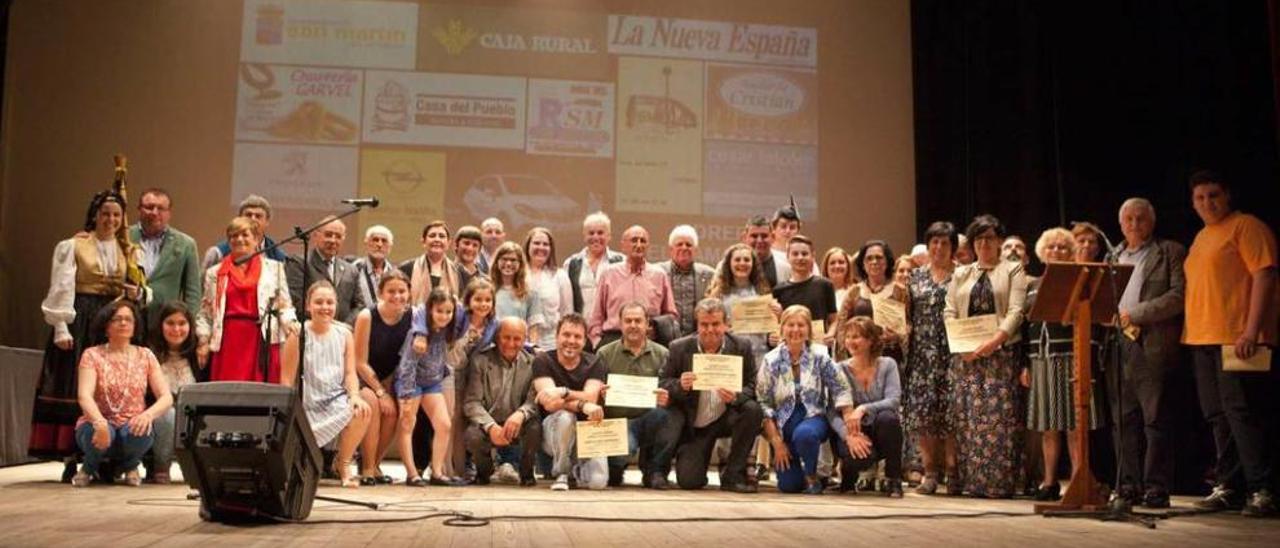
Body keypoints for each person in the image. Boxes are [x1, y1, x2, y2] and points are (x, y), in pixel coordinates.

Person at [1183, 170, 1278, 517]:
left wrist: (1251, 331)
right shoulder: (1202, 236)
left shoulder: (1246, 226)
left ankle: (1262, 489)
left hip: (1236, 339)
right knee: (1218, 416)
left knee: (1242, 414)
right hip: (1202, 339)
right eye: (1199, 197)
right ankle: (1229, 487)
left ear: (1227, 196)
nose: (1207, 203)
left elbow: (1265, 274)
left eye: (1213, 195)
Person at [32, 190, 145, 478]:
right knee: (75, 387)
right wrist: (60, 325)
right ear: (95, 215)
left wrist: (138, 292)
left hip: (112, 319)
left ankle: (107, 457)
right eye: (106, 214)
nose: (111, 220)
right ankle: (72, 454)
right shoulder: (73, 246)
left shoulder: (128, 250)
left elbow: (141, 288)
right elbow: (62, 286)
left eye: (117, 215)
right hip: (80, 317)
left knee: (110, 388)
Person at [945, 214, 1029, 498]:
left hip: (1001, 356)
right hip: (966, 358)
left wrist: (995, 341)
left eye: (990, 238)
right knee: (969, 419)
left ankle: (1000, 484)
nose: (984, 243)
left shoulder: (1013, 270)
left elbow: (1017, 311)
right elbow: (949, 312)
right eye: (978, 239)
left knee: (1000, 421)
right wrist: (961, 345)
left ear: (1000, 241)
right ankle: (973, 483)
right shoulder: (961, 273)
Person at [1109, 197, 1184, 508]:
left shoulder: (1169, 252)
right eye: (1129, 219)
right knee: (1123, 421)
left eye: (1141, 219)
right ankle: (1128, 485)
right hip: (1118, 346)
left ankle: (1156, 487)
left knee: (1155, 420)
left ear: (1151, 222)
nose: (1135, 224)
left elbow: (1178, 296)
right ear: (1121, 223)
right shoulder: (1112, 255)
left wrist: (1135, 314)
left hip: (1151, 345)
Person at [1022, 228, 1103, 501]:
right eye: (1051, 247)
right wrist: (1026, 364)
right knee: (1048, 425)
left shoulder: (1078, 281)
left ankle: (1079, 480)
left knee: (1073, 425)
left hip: (1070, 357)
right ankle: (1049, 482)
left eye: (1062, 247)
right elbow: (1025, 328)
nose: (1056, 251)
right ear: (1042, 252)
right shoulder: (1032, 285)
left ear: (1071, 253)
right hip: (1041, 360)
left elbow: (1091, 323)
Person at [661, 298, 763, 492]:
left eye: (716, 324)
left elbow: (753, 384)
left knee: (752, 410)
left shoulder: (742, 346)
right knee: (689, 481)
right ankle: (698, 464)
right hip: (696, 423)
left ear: (726, 324)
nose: (710, 330)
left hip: (727, 415)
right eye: (704, 324)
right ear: (697, 325)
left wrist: (736, 396)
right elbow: (662, 382)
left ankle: (733, 474)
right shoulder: (679, 347)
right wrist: (679, 385)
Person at [70, 301, 173, 487]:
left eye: (128, 320)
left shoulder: (146, 355)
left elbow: (166, 397)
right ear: (106, 325)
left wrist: (147, 415)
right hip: (97, 423)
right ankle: (88, 467)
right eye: (117, 319)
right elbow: (84, 395)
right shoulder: (92, 355)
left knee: (142, 429)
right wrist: (99, 422)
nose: (123, 323)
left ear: (135, 326)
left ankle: (131, 465)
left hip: (130, 426)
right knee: (99, 430)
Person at [281, 282, 372, 488]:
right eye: (319, 302)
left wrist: (355, 396)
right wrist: (289, 412)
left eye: (330, 302)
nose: (325, 307)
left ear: (337, 305)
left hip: (335, 399)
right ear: (308, 306)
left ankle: (343, 463)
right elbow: (286, 379)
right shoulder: (298, 335)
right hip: (307, 402)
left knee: (362, 410)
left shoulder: (344, 334)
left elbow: (350, 373)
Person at [758, 305, 855, 494]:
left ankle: (812, 475)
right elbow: (764, 402)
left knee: (805, 435)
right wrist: (777, 443)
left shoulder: (820, 355)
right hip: (783, 426)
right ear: (782, 329)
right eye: (790, 325)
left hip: (813, 417)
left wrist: (849, 415)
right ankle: (798, 473)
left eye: (801, 325)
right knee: (788, 486)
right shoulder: (771, 359)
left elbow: (840, 386)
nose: (795, 330)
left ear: (809, 329)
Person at [197, 217, 297, 383]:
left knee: (260, 395)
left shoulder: (274, 269)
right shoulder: (214, 273)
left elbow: (284, 305)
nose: (239, 239)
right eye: (234, 236)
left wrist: (291, 324)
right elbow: (206, 313)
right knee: (228, 395)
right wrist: (203, 340)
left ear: (256, 239)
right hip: (227, 341)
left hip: (261, 339)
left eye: (245, 234)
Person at [596, 303, 678, 489]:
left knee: (668, 416)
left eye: (638, 321)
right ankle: (616, 467)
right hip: (616, 422)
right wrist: (600, 395)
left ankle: (655, 471)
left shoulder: (663, 354)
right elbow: (593, 392)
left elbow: (671, 386)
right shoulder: (604, 353)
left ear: (647, 324)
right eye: (628, 321)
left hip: (649, 418)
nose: (633, 325)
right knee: (614, 472)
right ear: (620, 324)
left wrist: (667, 397)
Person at [905, 221, 960, 495]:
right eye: (934, 242)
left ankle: (953, 472)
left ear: (953, 248)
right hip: (921, 356)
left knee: (951, 416)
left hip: (953, 353)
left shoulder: (963, 275)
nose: (939, 247)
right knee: (924, 416)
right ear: (928, 246)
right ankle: (929, 473)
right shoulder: (914, 277)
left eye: (945, 243)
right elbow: (905, 316)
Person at [395, 288, 465, 486]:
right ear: (430, 311)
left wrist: (454, 300)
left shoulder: (447, 330)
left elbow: (462, 313)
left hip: (432, 381)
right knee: (407, 423)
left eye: (448, 312)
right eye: (439, 311)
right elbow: (407, 366)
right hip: (412, 382)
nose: (444, 316)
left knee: (444, 424)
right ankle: (411, 473)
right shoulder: (417, 334)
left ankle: (437, 471)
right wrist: (407, 396)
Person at [532, 314, 609, 491]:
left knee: (598, 483)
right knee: (565, 417)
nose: (571, 341)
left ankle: (576, 466)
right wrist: (582, 405)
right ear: (557, 336)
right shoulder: (542, 360)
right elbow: (550, 404)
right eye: (566, 335)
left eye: (577, 336)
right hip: (553, 432)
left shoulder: (595, 362)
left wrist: (563, 392)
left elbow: (591, 397)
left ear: (584, 340)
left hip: (586, 433)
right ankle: (562, 473)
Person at [832, 316, 904, 497]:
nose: (850, 342)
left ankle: (894, 480)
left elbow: (894, 400)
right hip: (853, 431)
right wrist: (848, 436)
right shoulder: (839, 369)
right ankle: (848, 480)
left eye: (856, 337)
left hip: (880, 429)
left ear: (871, 340)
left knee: (889, 418)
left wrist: (863, 408)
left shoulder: (888, 364)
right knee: (858, 458)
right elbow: (830, 411)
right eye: (848, 337)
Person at [352, 270, 412, 485]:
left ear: (409, 292)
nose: (397, 296)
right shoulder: (367, 316)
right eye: (391, 291)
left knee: (394, 413)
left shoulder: (411, 316)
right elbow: (359, 362)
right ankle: (367, 468)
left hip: (389, 378)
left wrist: (390, 388)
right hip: (362, 377)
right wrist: (380, 391)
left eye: (402, 291)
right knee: (375, 407)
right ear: (380, 293)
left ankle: (375, 464)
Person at [465, 318, 542, 487]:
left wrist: (521, 414)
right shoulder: (480, 361)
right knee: (473, 436)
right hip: (489, 421)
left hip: (518, 421)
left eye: (517, 339)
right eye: (506, 337)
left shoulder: (534, 363)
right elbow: (472, 403)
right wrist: (490, 426)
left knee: (535, 427)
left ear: (525, 339)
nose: (511, 343)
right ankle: (484, 472)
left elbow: (533, 401)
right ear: (497, 337)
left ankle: (526, 473)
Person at [589, 225, 678, 348]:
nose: (639, 244)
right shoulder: (609, 274)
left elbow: (671, 315)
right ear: (623, 246)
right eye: (634, 240)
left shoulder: (659, 275)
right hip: (613, 341)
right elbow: (596, 317)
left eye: (643, 241)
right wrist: (597, 343)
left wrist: (657, 328)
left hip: (649, 343)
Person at [146, 302, 202, 484]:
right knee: (168, 415)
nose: (176, 329)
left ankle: (195, 470)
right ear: (161, 324)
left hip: (191, 412)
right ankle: (161, 467)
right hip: (158, 415)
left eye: (181, 323)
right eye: (170, 323)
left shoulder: (199, 354)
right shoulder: (149, 354)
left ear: (190, 326)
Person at [131, 188, 201, 325]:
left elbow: (193, 294)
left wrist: (189, 326)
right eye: (149, 207)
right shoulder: (123, 237)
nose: (154, 212)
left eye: (161, 208)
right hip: (128, 320)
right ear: (139, 209)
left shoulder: (186, 244)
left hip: (165, 324)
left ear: (169, 213)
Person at [836, 240, 909, 363]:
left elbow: (910, 323)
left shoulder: (900, 291)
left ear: (887, 261)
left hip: (891, 356)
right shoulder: (854, 291)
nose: (874, 262)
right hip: (858, 358)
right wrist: (849, 347)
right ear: (863, 264)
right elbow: (841, 326)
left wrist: (897, 336)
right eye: (869, 258)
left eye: (879, 258)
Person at [286, 218, 366, 325]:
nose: (333, 240)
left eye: (338, 236)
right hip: (310, 332)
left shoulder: (351, 270)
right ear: (316, 236)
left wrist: (343, 327)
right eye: (328, 235)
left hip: (342, 334)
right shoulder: (299, 263)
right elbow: (296, 302)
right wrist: (326, 323)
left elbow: (359, 306)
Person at [560, 212, 624, 336]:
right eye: (591, 233)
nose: (595, 237)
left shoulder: (621, 262)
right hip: (580, 332)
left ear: (609, 236)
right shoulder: (570, 264)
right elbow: (566, 305)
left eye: (600, 233)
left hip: (611, 333)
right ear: (584, 236)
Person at [772, 235, 838, 338]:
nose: (800, 257)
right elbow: (778, 324)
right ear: (788, 257)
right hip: (790, 348)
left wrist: (830, 334)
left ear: (812, 256)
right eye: (795, 254)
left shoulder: (825, 285)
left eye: (804, 254)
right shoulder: (779, 290)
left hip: (819, 347)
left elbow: (833, 319)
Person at [658, 225, 716, 336]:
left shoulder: (709, 275)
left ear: (696, 250)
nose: (684, 248)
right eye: (679, 244)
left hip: (698, 340)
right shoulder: (657, 272)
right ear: (671, 249)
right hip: (664, 340)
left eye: (689, 245)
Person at [202, 194, 287, 269]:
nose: (253, 219)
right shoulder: (217, 253)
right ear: (239, 218)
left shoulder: (279, 257)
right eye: (248, 215)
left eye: (258, 216)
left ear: (267, 221)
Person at [491, 241, 545, 345]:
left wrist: (531, 350)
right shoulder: (487, 289)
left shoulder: (531, 293)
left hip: (518, 346)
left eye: (513, 260)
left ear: (520, 264)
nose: (508, 263)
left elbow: (533, 328)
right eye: (504, 259)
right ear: (497, 262)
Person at [400, 220, 462, 304]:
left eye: (441, 236)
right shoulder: (406, 269)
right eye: (432, 236)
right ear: (423, 242)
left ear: (448, 243)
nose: (437, 239)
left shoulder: (458, 271)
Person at [524, 227, 565, 349]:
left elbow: (566, 313)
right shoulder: (518, 275)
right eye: (536, 243)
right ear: (528, 246)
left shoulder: (560, 276)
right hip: (522, 342)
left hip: (552, 343)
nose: (541, 247)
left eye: (545, 244)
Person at [352, 225, 397, 309]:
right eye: (375, 240)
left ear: (390, 247)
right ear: (366, 243)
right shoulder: (354, 269)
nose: (379, 244)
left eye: (384, 241)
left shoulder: (394, 273)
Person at [742, 215, 788, 288]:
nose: (759, 240)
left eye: (764, 236)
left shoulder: (787, 265)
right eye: (754, 236)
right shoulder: (730, 265)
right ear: (744, 237)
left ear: (773, 237)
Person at [769, 207, 801, 286]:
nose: (788, 231)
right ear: (773, 229)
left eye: (792, 227)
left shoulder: (804, 257)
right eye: (783, 226)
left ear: (798, 231)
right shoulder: (767, 256)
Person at [453, 225, 487, 290]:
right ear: (455, 245)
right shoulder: (447, 274)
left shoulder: (485, 280)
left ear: (479, 250)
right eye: (466, 243)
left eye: (475, 245)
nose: (470, 248)